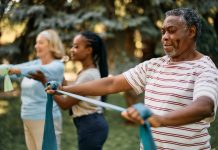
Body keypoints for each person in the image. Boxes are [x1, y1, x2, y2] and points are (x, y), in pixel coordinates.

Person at [46, 8, 218, 149]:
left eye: (172, 31)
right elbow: (111, 83)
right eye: (163, 31)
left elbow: (205, 107)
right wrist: (64, 89)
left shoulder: (204, 68)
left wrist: (160, 120)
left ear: (192, 31)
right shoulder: (153, 65)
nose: (165, 37)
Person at [43, 31, 109, 150]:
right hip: (91, 124)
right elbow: (70, 93)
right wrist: (60, 75)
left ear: (89, 50)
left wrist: (43, 81)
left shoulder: (88, 75)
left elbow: (65, 104)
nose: (72, 49)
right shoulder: (86, 71)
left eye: (76, 46)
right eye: (73, 46)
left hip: (90, 126)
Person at [3, 29, 65, 150]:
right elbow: (13, 68)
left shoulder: (57, 66)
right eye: (36, 43)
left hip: (46, 119)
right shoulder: (35, 63)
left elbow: (38, 70)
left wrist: (17, 70)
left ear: (51, 45)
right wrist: (7, 69)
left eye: (41, 43)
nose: (36, 46)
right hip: (27, 117)